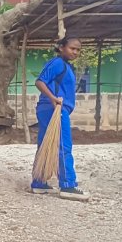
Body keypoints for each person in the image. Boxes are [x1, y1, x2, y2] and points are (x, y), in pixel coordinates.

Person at [31, 36, 89, 201]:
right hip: (54, 109)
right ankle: (68, 185)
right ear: (62, 47)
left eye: (78, 49)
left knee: (46, 145)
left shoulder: (65, 66)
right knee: (63, 145)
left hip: (50, 109)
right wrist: (53, 99)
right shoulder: (57, 63)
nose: (75, 52)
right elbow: (40, 82)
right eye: (72, 48)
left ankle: (39, 183)